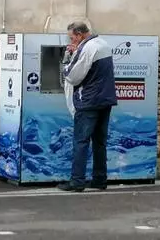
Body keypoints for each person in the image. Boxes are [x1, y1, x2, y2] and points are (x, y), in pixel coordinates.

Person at [58, 21, 117, 192]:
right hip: (105, 100)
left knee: (81, 142)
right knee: (100, 142)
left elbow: (73, 76)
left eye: (72, 37)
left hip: (88, 102)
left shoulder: (88, 48)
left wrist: (68, 58)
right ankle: (100, 180)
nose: (71, 40)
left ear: (79, 34)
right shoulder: (103, 44)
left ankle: (77, 181)